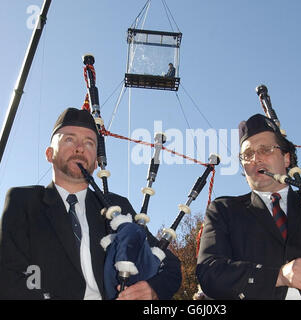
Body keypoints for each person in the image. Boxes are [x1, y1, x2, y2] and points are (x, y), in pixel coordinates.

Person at [0, 107, 181, 300]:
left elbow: (169, 264)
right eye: (69, 139)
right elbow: (9, 274)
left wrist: (153, 289)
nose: (79, 148)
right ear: (49, 153)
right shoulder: (24, 201)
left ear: (96, 162)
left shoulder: (117, 206)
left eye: (89, 143)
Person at [196, 113, 301, 300]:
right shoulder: (225, 209)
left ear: (286, 158)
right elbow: (209, 271)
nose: (255, 159)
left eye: (265, 149)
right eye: (247, 155)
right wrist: (278, 276)